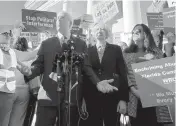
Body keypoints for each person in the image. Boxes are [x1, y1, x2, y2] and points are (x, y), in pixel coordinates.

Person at [17, 11, 113, 126]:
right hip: (48, 98)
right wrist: (29, 71)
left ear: (70, 23)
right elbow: (38, 65)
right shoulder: (46, 43)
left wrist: (97, 82)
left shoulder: (80, 44)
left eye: (61, 18)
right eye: (57, 18)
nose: (58, 20)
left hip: (71, 99)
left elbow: (86, 67)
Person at [124, 24, 172, 126]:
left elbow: (161, 72)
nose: (135, 33)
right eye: (133, 32)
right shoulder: (126, 53)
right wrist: (134, 89)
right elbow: (124, 73)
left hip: (153, 99)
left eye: (138, 31)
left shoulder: (156, 52)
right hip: (135, 98)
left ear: (146, 34)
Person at [82, 23, 129, 126]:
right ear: (94, 33)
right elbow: (84, 76)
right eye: (97, 29)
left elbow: (123, 74)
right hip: (92, 97)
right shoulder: (87, 51)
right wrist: (82, 99)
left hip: (112, 97)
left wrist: (123, 99)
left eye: (103, 29)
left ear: (107, 33)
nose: (100, 31)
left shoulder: (116, 49)